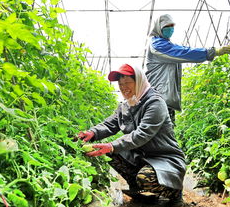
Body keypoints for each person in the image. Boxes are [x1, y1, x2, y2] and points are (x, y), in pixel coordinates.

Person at [78, 64, 187, 207]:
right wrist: (92, 133)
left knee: (145, 177)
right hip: (141, 156)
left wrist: (111, 145)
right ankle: (137, 189)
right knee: (110, 154)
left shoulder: (155, 103)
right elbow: (109, 124)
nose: (123, 87)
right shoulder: (126, 105)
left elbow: (141, 134)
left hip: (164, 157)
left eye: (127, 82)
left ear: (139, 81)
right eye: (120, 83)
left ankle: (174, 193)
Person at [146, 14, 230, 123]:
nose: (171, 29)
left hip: (162, 99)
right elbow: (181, 52)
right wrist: (212, 52)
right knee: (160, 133)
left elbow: (181, 49)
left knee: (165, 133)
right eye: (167, 26)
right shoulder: (158, 45)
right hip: (157, 98)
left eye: (172, 26)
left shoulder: (166, 44)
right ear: (159, 28)